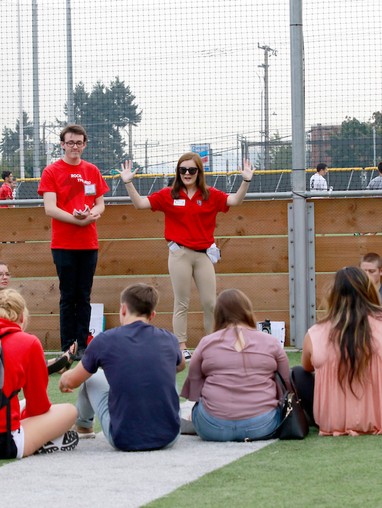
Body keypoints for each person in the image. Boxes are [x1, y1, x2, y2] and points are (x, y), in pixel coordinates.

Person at [118, 153, 254, 359]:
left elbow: (235, 200)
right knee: (182, 302)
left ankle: (213, 345)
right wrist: (128, 183)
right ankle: (181, 347)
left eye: (192, 170)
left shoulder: (210, 194)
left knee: (210, 303)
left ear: (199, 172)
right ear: (178, 172)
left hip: (204, 255)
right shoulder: (168, 195)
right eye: (183, 170)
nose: (187, 174)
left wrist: (246, 181)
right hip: (179, 253)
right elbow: (140, 204)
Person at [59, 283, 186, 451]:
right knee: (169, 375)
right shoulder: (169, 338)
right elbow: (181, 365)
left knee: (93, 378)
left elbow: (72, 381)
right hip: (169, 436)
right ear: (152, 315)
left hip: (123, 437)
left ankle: (83, 425)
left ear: (123, 309)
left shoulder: (105, 340)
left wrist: (63, 379)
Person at [180, 288, 290, 442]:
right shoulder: (271, 342)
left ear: (218, 314)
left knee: (194, 410)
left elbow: (194, 385)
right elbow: (287, 382)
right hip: (262, 426)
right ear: (248, 311)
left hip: (212, 428)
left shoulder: (206, 342)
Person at [38, 124, 109, 360]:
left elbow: (101, 204)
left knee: (84, 295)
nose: (74, 147)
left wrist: (92, 214)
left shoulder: (92, 170)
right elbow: (50, 208)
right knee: (68, 296)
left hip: (89, 244)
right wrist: (75, 219)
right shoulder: (51, 171)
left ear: (84, 144)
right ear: (62, 144)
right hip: (63, 244)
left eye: (78, 143)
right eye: (70, 142)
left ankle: (83, 345)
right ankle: (67, 346)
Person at [294, 266, 382, 436]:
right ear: (369, 292)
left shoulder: (315, 333)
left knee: (297, 373)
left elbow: (306, 369)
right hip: (379, 419)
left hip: (332, 422)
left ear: (333, 295)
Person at [0, 288, 79, 459]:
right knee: (69, 411)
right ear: (22, 316)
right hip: (5, 443)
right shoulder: (28, 343)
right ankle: (45, 440)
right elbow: (38, 407)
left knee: (17, 401)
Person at [0, 260, 78, 374]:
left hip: (8, 349)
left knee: (25, 343)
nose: (5, 277)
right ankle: (56, 363)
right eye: (0, 274)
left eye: (7, 274)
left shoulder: (12, 299)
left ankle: (56, 363)